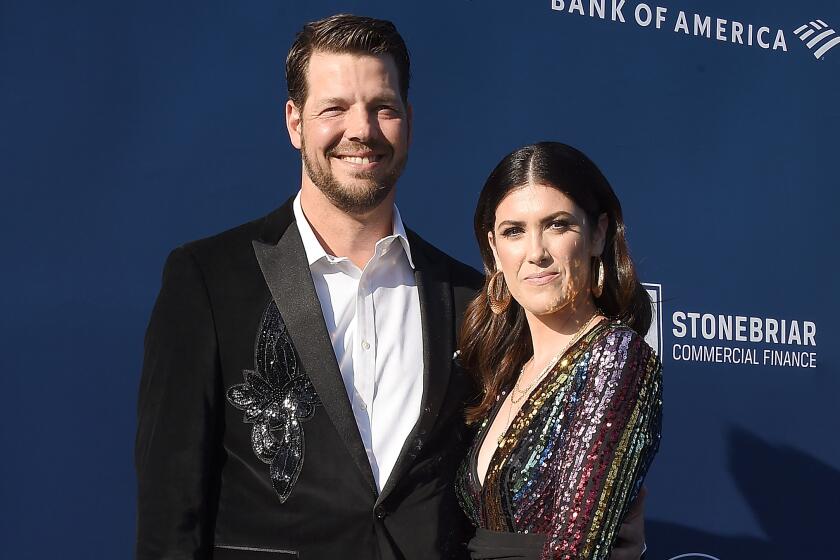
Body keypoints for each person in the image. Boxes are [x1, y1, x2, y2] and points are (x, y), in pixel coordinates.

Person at [135, 14, 648, 560]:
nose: (361, 130)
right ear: (294, 122)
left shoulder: (472, 301)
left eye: (383, 108)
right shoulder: (209, 278)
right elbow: (172, 513)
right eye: (334, 108)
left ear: (408, 121)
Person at [455, 142, 663, 560]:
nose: (536, 253)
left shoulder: (617, 358)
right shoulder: (511, 372)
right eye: (515, 231)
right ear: (495, 249)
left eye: (557, 225)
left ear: (597, 234)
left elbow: (577, 549)